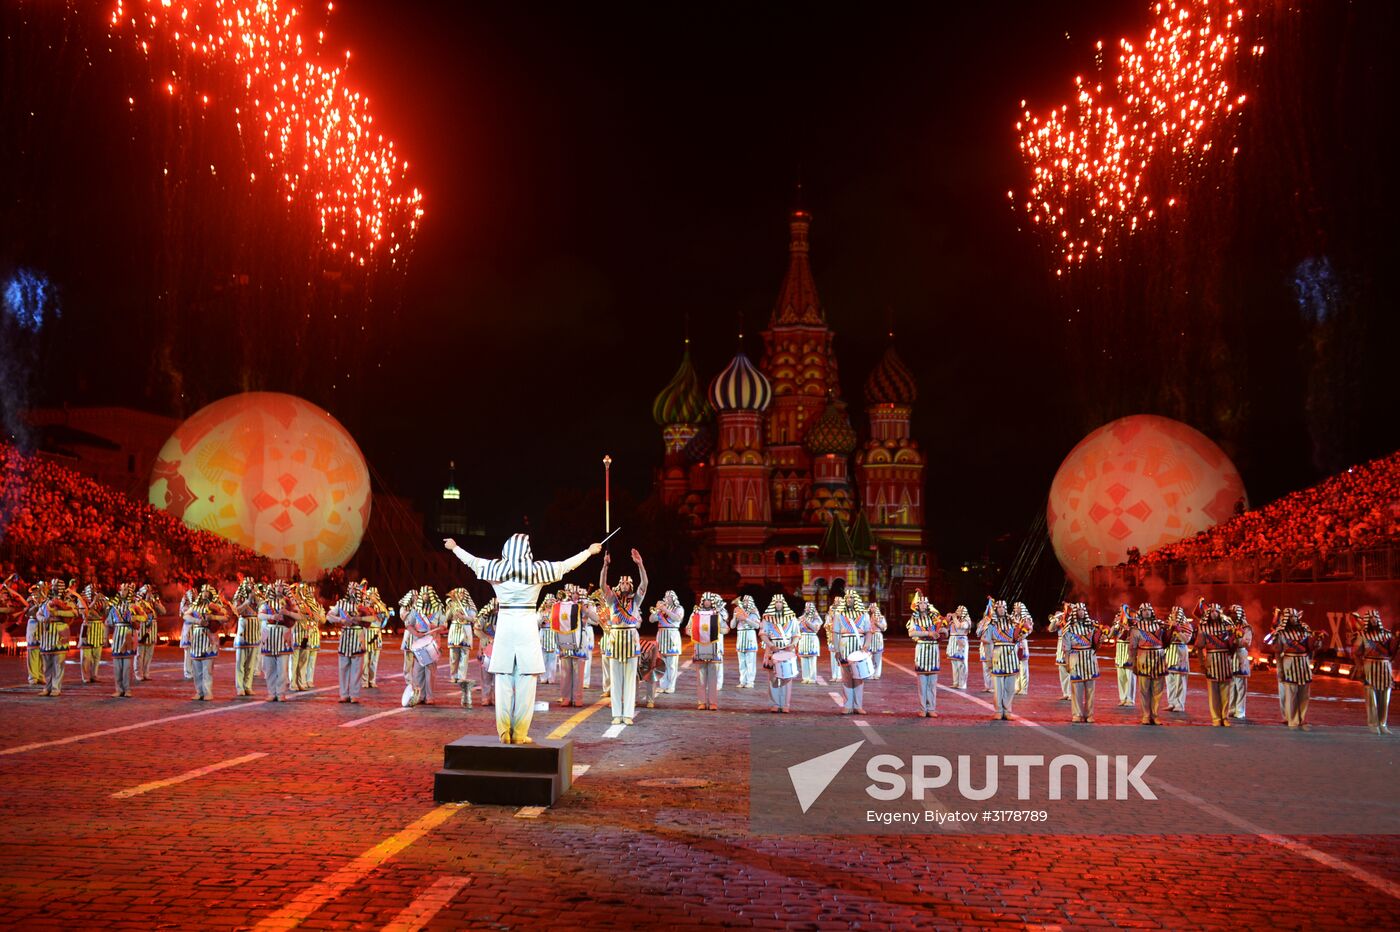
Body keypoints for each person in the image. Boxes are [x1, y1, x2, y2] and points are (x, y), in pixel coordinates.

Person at [446, 534, 601, 745]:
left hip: (506, 628)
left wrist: (454, 547)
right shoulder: (537, 571)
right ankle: (519, 733)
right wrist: (589, 552)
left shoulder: (495, 569)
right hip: (527, 628)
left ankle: (504, 733)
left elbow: (471, 560)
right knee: (526, 684)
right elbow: (566, 565)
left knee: (503, 682)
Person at [600, 549, 649, 726]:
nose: (625, 586)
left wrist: (640, 564)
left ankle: (627, 713)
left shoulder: (636, 600)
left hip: (630, 639)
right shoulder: (612, 600)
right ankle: (616, 714)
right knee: (615, 678)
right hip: (615, 639)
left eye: (628, 584)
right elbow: (601, 584)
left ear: (631, 586)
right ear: (619, 585)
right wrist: (605, 566)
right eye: (622, 584)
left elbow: (645, 582)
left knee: (629, 679)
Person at [1265, 608, 1324, 730]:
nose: (1294, 619)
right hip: (1289, 663)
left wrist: (1318, 640)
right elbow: (1276, 649)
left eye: (1295, 616)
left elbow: (1312, 647)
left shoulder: (1305, 629)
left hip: (1304, 663)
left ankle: (1301, 718)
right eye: (1291, 617)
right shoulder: (1281, 632)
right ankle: (1292, 719)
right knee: (1291, 693)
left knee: (1304, 694)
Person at [1192, 600, 1241, 727]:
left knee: (1225, 691)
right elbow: (1199, 647)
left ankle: (1224, 717)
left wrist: (1235, 638)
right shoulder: (1203, 627)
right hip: (1211, 660)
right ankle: (1216, 717)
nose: (1214, 614)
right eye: (1212, 611)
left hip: (1225, 660)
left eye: (1216, 611)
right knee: (1213, 692)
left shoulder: (1227, 626)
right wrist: (1201, 664)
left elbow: (1233, 645)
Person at [1351, 610, 1398, 735]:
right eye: (1371, 618)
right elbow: (1356, 653)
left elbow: (1392, 651)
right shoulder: (1363, 635)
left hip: (1385, 665)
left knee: (1385, 697)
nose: (1374, 620)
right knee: (1371, 696)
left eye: (1375, 618)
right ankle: (1373, 724)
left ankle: (1383, 724)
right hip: (1370, 665)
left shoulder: (1387, 634)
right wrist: (1360, 667)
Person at [327, 581, 374, 704]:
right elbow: (329, 616)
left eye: (354, 589)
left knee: (357, 669)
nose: (352, 591)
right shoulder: (341, 603)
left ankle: (354, 694)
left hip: (358, 636)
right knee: (343, 667)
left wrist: (358, 619)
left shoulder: (363, 604)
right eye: (350, 589)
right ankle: (343, 694)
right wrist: (340, 620)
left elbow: (372, 618)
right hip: (345, 636)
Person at [982, 598, 1027, 721]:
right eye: (999, 608)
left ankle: (1008, 710)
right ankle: (998, 710)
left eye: (1003, 607)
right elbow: (987, 641)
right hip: (997, 654)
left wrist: (1024, 630)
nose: (1001, 609)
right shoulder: (992, 624)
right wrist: (989, 659)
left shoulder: (1013, 622)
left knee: (1010, 687)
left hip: (1011, 655)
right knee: (998, 686)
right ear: (996, 609)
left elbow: (1020, 636)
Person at [831, 593, 873, 715]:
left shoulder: (864, 615)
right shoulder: (839, 615)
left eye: (852, 598)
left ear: (856, 600)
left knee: (859, 678)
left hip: (859, 649)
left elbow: (868, 632)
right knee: (846, 678)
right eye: (848, 598)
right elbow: (835, 633)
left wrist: (867, 645)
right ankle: (847, 705)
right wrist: (837, 650)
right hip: (845, 648)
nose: (850, 600)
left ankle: (858, 705)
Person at [404, 586, 447, 706]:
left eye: (427, 595)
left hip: (432, 641)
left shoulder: (438, 608)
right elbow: (409, 624)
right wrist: (416, 633)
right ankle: (420, 696)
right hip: (419, 641)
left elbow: (444, 625)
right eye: (423, 595)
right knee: (418, 671)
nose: (425, 597)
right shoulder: (416, 609)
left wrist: (436, 628)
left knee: (430, 671)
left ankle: (429, 697)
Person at [907, 590, 946, 718]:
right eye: (921, 604)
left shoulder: (934, 618)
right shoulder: (914, 618)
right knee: (922, 682)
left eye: (925, 603)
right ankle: (923, 708)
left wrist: (944, 631)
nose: (923, 606)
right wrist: (928, 633)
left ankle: (932, 707)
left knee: (932, 683)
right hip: (922, 649)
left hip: (933, 650)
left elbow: (944, 630)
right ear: (917, 606)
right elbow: (912, 633)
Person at [1129, 604, 1170, 725]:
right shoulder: (1136, 628)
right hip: (1143, 659)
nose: (1146, 612)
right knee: (1144, 690)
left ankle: (1155, 714)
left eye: (1148, 610)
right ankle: (1146, 715)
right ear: (1141, 612)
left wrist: (1171, 629)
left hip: (1159, 658)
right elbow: (1132, 647)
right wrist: (1133, 662)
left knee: (1158, 690)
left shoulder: (1160, 626)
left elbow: (1167, 641)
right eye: (1144, 610)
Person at [688, 591, 729, 710]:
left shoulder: (717, 614)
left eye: (709, 600)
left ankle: (713, 703)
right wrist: (693, 631)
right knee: (700, 678)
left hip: (713, 649)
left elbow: (725, 628)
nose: (707, 602)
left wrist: (721, 630)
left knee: (713, 679)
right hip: (700, 649)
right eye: (705, 600)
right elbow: (688, 629)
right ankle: (701, 702)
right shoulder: (695, 614)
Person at [553, 585, 592, 708]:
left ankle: (577, 698)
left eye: (574, 593)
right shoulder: (560, 605)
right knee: (565, 672)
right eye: (569, 592)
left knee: (578, 672)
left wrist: (586, 611)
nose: (571, 595)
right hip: (564, 641)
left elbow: (594, 619)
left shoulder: (582, 604)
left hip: (579, 642)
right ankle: (565, 698)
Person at [186, 585, 227, 701]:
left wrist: (213, 616)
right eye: (203, 591)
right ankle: (199, 692)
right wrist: (197, 620)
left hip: (209, 638)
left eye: (207, 592)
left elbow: (225, 617)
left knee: (207, 669)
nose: (204, 593)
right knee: (196, 669)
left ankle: (208, 692)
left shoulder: (217, 606)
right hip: (197, 637)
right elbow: (186, 616)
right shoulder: (195, 605)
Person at [1062, 602, 1101, 724]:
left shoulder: (1091, 627)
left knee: (1090, 690)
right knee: (1076, 690)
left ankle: (1089, 714)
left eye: (1082, 610)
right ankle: (1077, 714)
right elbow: (1066, 649)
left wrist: (1100, 638)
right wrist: (1067, 663)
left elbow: (1096, 645)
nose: (1081, 612)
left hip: (1090, 659)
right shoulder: (1069, 629)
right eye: (1078, 610)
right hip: (1076, 659)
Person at [761, 595, 800, 713]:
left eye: (780, 602)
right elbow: (763, 634)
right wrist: (771, 645)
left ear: (784, 604)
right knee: (773, 678)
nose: (778, 604)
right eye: (776, 602)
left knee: (787, 678)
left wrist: (793, 645)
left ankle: (785, 704)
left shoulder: (792, 618)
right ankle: (775, 703)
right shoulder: (767, 618)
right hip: (773, 650)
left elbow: (796, 634)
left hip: (787, 651)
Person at [258, 581, 296, 702]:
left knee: (282, 669)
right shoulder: (267, 603)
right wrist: (271, 617)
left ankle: (280, 693)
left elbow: (299, 616)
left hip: (283, 637)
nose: (279, 588)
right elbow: (260, 615)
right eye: (277, 586)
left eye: (281, 586)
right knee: (269, 669)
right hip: (269, 637)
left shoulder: (290, 602)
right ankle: (271, 692)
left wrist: (288, 613)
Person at [37, 579, 75, 697]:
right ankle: (47, 688)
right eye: (52, 585)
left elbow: (73, 613)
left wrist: (58, 614)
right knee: (47, 665)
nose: (54, 588)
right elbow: (39, 613)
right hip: (47, 635)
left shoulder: (67, 600)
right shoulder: (46, 601)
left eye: (56, 586)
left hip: (60, 634)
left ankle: (56, 688)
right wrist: (43, 619)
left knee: (58, 664)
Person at [445, 587, 477, 706]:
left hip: (465, 629)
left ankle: (461, 676)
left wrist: (463, 617)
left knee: (464, 655)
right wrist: (450, 607)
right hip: (454, 629)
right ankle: (453, 676)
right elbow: (447, 617)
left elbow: (473, 619)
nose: (460, 596)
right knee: (453, 655)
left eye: (462, 594)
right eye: (458, 594)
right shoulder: (453, 604)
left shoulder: (469, 606)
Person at [106, 583, 139, 698]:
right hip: (117, 634)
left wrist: (135, 621)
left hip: (128, 634)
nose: (123, 592)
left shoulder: (133, 605)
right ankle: (118, 689)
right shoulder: (114, 606)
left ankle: (127, 689)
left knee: (127, 666)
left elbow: (141, 619)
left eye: (125, 590)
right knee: (117, 666)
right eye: (122, 590)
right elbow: (108, 621)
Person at [232, 579, 262, 697]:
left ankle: (248, 686)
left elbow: (263, 607)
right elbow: (236, 611)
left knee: (251, 663)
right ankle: (240, 687)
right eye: (248, 584)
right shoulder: (239, 597)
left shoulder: (257, 597)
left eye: (251, 584)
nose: (250, 586)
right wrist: (247, 601)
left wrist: (257, 597)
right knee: (241, 663)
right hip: (243, 631)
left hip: (254, 632)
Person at [650, 590, 684, 693]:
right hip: (661, 636)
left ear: (673, 598)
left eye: (669, 597)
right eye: (666, 596)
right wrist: (656, 610)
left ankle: (671, 686)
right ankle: (663, 685)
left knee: (672, 664)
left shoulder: (678, 608)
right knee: (661, 663)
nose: (666, 598)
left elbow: (677, 618)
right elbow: (651, 619)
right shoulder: (661, 610)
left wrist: (665, 609)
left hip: (672, 636)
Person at [1164, 605, 1193, 713]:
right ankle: (1171, 703)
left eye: (1176, 614)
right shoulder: (1168, 624)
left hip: (1180, 653)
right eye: (1172, 613)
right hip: (1169, 653)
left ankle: (1179, 704)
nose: (1173, 615)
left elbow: (1185, 640)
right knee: (1170, 681)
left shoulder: (1187, 625)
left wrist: (1177, 630)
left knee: (1180, 682)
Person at [77, 584, 107, 684]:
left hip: (98, 626)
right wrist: (94, 602)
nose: (94, 591)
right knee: (86, 656)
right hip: (88, 626)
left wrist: (104, 604)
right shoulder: (82, 599)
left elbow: (104, 613)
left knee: (97, 655)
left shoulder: (101, 599)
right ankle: (85, 676)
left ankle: (94, 675)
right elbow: (85, 613)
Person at [360, 585, 389, 689]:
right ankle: (364, 681)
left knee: (374, 660)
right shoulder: (364, 605)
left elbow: (386, 615)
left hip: (376, 634)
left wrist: (377, 602)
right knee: (365, 660)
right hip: (367, 632)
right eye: (370, 595)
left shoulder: (380, 605)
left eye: (373, 595)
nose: (371, 597)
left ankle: (372, 680)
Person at [1228, 604, 1253, 720]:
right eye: (1231, 612)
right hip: (1231, 656)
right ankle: (1231, 708)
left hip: (1240, 654)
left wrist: (1236, 638)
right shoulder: (1227, 624)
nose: (1232, 615)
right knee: (1232, 684)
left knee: (1240, 686)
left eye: (1234, 613)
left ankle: (1240, 710)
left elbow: (1247, 642)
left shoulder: (1246, 627)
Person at [1108, 607, 1136, 708]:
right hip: (1119, 653)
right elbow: (1110, 636)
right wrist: (1115, 625)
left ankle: (1130, 699)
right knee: (1121, 678)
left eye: (1121, 612)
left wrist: (1125, 627)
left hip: (1129, 653)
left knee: (1130, 678)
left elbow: (1132, 635)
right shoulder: (1118, 625)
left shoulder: (1133, 624)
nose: (1119, 614)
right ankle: (1123, 698)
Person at [134, 583, 163, 682]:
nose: (150, 594)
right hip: (143, 627)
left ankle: (146, 673)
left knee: (149, 654)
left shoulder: (153, 602)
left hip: (152, 628)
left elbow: (163, 611)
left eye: (151, 592)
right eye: (148, 592)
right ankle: (139, 673)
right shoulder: (139, 602)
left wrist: (157, 602)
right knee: (140, 653)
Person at [733, 594, 761, 689]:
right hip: (740, 636)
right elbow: (732, 626)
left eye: (746, 601)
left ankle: (750, 681)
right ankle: (742, 681)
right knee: (741, 662)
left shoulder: (754, 611)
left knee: (750, 662)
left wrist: (746, 619)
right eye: (743, 601)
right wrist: (735, 617)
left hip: (750, 636)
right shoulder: (738, 610)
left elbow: (757, 626)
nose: (744, 603)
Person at [475, 598, 498, 708]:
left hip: (500, 649)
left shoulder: (505, 618)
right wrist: (481, 647)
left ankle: (497, 698)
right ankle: (485, 698)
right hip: (487, 648)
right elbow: (478, 630)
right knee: (485, 676)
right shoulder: (485, 618)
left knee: (499, 677)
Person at [1047, 607, 1071, 701]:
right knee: (1063, 672)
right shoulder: (1059, 624)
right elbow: (1050, 629)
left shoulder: (1070, 622)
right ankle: (1066, 693)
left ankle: (1071, 694)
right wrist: (1055, 621)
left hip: (1069, 648)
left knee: (1071, 672)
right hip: (1061, 649)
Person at [797, 600, 823, 684]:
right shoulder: (802, 617)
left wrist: (806, 621)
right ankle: (805, 677)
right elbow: (797, 629)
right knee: (803, 659)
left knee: (812, 659)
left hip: (812, 638)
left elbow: (815, 628)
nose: (807, 609)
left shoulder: (816, 618)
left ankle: (812, 678)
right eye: (806, 607)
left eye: (808, 607)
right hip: (803, 638)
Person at [946, 605, 972, 690]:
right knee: (954, 663)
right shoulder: (955, 620)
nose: (957, 611)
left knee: (962, 663)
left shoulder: (966, 621)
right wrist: (947, 619)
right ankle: (955, 682)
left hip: (961, 640)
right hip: (953, 640)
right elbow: (947, 629)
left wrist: (954, 618)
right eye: (957, 609)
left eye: (959, 610)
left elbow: (959, 626)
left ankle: (962, 683)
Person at [637, 637, 665, 710]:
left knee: (650, 680)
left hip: (650, 658)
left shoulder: (643, 646)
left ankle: (650, 701)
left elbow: (654, 647)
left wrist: (653, 662)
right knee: (633, 680)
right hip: (636, 662)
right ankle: (634, 700)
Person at [538, 593, 560, 686]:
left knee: (552, 658)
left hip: (553, 633)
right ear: (545, 601)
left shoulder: (556, 611)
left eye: (552, 601)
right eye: (549, 601)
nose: (550, 603)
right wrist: (541, 621)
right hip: (543, 633)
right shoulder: (541, 611)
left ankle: (551, 678)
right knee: (543, 658)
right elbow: (537, 622)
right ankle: (543, 677)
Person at [1012, 602, 1033, 695]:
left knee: (1023, 667)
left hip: (1022, 643)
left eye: (1018, 608)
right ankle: (1017, 687)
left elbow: (1028, 630)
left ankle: (1024, 688)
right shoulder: (1013, 618)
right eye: (1015, 607)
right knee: (1015, 666)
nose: (1016, 609)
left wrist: (1022, 636)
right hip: (1014, 643)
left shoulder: (1026, 619)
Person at [868, 598, 888, 680]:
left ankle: (877, 673)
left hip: (877, 636)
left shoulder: (881, 617)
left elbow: (884, 628)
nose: (872, 609)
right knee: (868, 656)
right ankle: (870, 672)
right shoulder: (867, 617)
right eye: (871, 608)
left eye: (874, 608)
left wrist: (877, 623)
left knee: (878, 656)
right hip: (870, 636)